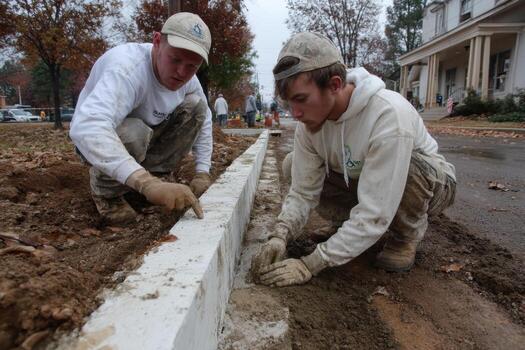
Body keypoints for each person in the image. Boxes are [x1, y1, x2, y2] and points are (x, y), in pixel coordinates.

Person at [251, 32, 456, 287]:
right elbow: (303, 191)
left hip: (427, 183)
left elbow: (375, 213)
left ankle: (405, 235)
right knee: (292, 164)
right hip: (365, 179)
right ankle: (344, 224)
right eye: (289, 102)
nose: (295, 113)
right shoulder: (310, 124)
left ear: (335, 85)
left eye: (301, 99)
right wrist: (280, 235)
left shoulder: (387, 115)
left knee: (411, 167)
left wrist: (311, 263)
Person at [70, 12, 213, 225]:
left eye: (192, 66)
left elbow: (205, 119)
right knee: (134, 132)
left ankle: (155, 178)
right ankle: (107, 193)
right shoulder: (126, 69)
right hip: (101, 143)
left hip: (148, 136)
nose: (182, 72)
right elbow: (88, 127)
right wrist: (147, 184)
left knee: (196, 107)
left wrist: (203, 172)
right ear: (157, 41)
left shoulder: (189, 82)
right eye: (175, 60)